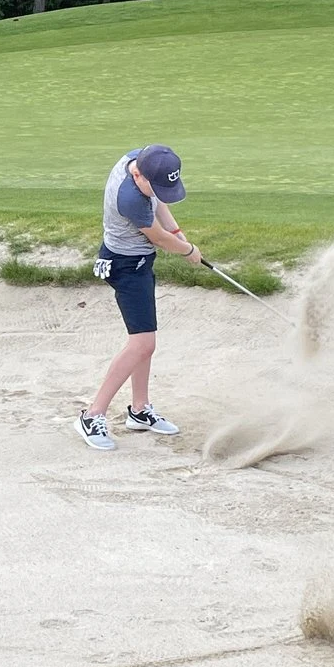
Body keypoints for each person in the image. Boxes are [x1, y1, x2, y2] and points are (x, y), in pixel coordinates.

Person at [75, 143, 200, 452]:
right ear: (139, 175)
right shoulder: (129, 197)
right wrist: (188, 250)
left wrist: (180, 233)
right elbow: (157, 237)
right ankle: (92, 416)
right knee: (143, 343)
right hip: (126, 266)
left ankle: (140, 410)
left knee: (144, 342)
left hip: (141, 262)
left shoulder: (140, 160)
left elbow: (158, 201)